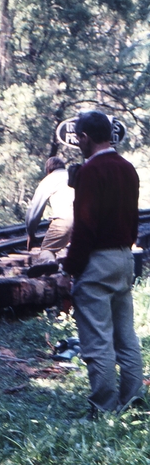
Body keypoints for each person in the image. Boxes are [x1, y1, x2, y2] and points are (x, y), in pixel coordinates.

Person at [62, 110, 143, 417]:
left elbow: (84, 227)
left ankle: (104, 409)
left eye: (79, 138)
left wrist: (70, 268)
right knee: (126, 338)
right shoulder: (127, 168)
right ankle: (133, 401)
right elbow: (132, 220)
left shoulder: (91, 172)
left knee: (97, 342)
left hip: (97, 262)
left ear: (85, 137)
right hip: (124, 257)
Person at [25, 156, 75, 263]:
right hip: (87, 217)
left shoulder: (48, 180)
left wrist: (31, 233)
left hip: (64, 220)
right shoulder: (73, 174)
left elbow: (34, 212)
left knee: (47, 250)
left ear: (48, 170)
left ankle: (50, 264)